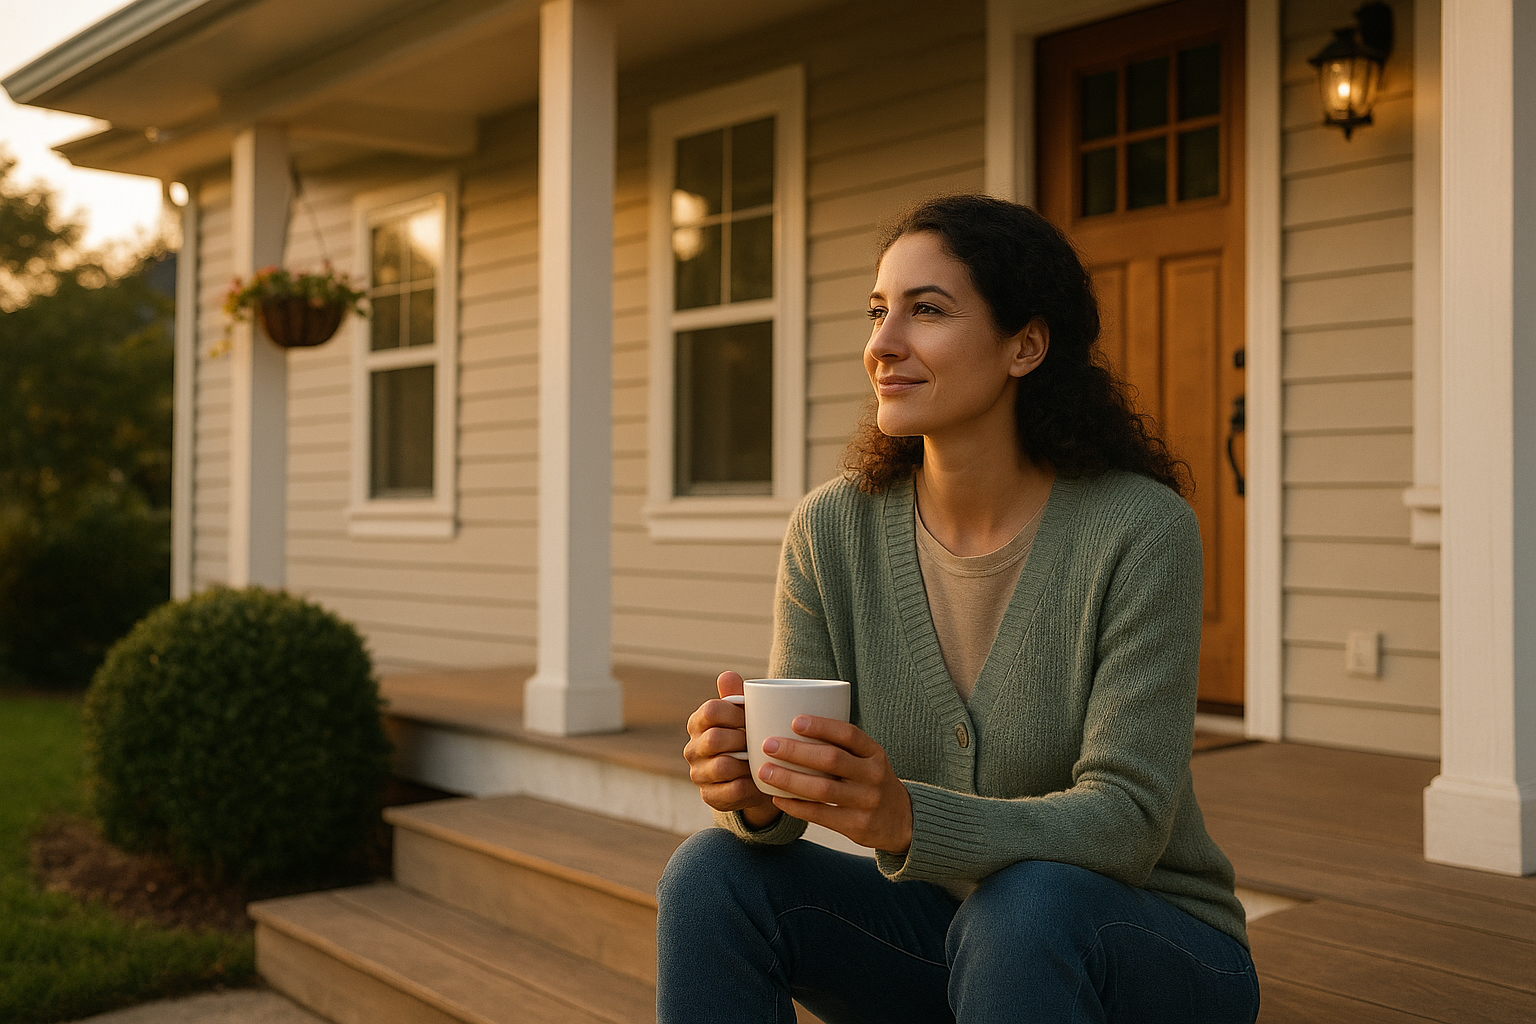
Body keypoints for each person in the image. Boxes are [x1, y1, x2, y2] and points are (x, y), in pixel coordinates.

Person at [656, 194, 1260, 1024]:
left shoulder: (1140, 529)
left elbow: (1128, 821)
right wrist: (756, 788)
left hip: (1151, 948)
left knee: (1026, 907)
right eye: (878, 313)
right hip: (952, 942)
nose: (882, 345)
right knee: (711, 875)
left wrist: (907, 817)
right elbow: (788, 787)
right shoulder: (831, 531)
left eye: (926, 311)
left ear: (1026, 345)